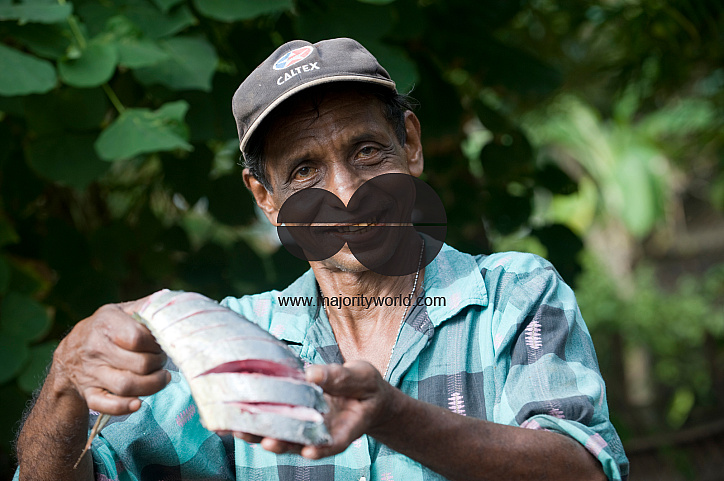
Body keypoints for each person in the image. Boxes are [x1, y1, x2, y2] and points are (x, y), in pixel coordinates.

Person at [14, 38, 629, 481]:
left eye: (366, 151)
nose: (344, 191)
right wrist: (66, 381)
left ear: (409, 146)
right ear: (266, 199)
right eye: (304, 170)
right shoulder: (229, 342)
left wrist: (393, 417)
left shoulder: (516, 294)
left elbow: (582, 469)